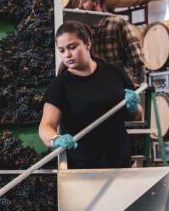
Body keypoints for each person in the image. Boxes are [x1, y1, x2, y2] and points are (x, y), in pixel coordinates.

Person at [39, 21, 142, 169]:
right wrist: (56, 139)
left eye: (72, 47)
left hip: (120, 163)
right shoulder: (60, 85)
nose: (67, 54)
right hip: (83, 168)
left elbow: (137, 116)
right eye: (61, 50)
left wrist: (133, 107)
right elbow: (45, 127)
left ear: (88, 44)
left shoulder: (114, 73)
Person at [72, 0, 145, 86]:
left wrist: (134, 86)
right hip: (98, 89)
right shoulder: (85, 30)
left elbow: (138, 61)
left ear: (96, 2)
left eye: (84, 1)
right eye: (79, 2)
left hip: (121, 88)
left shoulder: (117, 23)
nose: (80, 5)